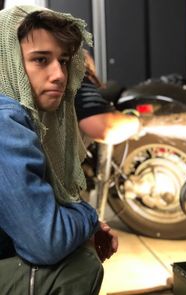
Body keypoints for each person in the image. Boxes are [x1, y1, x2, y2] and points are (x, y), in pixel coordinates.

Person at [0, 5, 118, 295]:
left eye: (63, 61)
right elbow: (46, 241)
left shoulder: (25, 116)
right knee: (80, 266)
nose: (59, 75)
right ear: (8, 61)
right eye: (41, 60)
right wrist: (89, 218)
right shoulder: (5, 120)